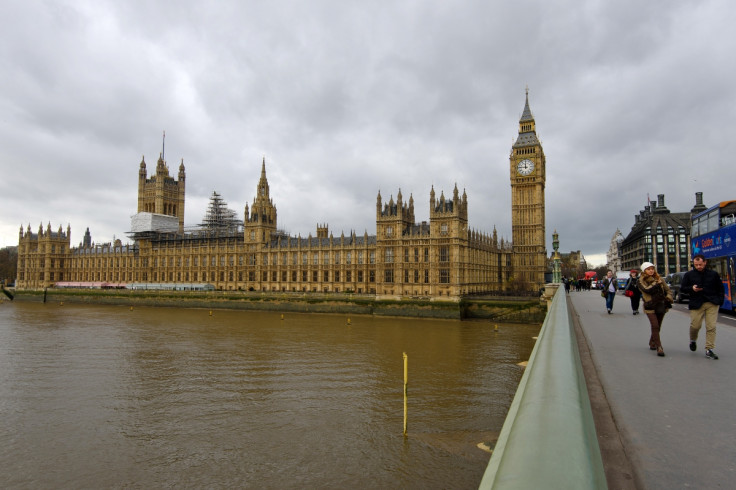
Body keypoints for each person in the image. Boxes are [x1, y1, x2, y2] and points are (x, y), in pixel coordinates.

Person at [680, 254, 725, 360]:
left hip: (712, 303)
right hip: (696, 303)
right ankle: (693, 340)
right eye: (696, 265)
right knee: (695, 326)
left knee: (711, 326)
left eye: (700, 264)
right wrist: (692, 288)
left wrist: (720, 301)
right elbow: (683, 288)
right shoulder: (689, 275)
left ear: (705, 262)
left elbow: (720, 288)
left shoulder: (713, 274)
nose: (698, 266)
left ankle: (709, 349)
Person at [637, 262, 673, 357]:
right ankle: (659, 347)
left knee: (658, 326)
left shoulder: (660, 279)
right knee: (655, 325)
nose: (651, 270)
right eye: (648, 269)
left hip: (661, 305)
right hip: (650, 306)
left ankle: (652, 342)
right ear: (644, 270)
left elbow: (668, 290)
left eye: (652, 268)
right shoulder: (641, 281)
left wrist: (668, 297)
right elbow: (647, 290)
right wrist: (656, 283)